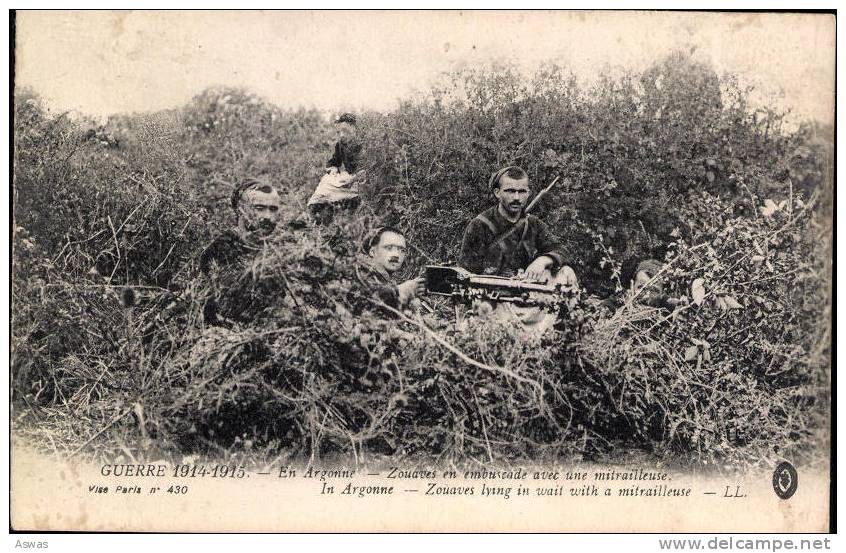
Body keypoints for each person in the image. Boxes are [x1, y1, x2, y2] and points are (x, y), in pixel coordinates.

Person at [458, 165, 578, 330]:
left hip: (528, 300)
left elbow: (561, 250)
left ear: (528, 193)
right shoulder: (479, 226)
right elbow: (466, 274)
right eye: (510, 191)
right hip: (494, 303)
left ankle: (554, 331)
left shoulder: (534, 224)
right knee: (471, 327)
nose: (517, 198)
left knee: (566, 274)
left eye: (522, 191)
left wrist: (543, 260)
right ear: (497, 193)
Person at [199, 176, 285, 327]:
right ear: (240, 210)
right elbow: (227, 307)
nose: (267, 216)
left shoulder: (280, 248)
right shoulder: (220, 249)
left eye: (273, 209)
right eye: (259, 208)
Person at [307, 113, 364, 223]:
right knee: (326, 181)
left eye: (345, 130)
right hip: (348, 179)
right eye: (339, 132)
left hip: (361, 180)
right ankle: (317, 213)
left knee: (358, 190)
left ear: (354, 128)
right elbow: (334, 161)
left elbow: (369, 169)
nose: (342, 135)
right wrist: (333, 168)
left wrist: (353, 179)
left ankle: (346, 208)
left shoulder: (363, 144)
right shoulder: (340, 145)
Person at [354, 226, 425, 312]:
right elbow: (362, 297)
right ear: (372, 252)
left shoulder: (382, 278)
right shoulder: (357, 271)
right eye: (389, 248)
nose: (396, 255)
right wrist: (399, 291)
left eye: (402, 250)